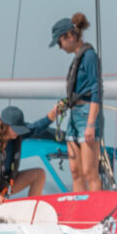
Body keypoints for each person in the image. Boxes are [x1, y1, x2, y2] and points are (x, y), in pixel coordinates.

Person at [48, 13, 105, 196]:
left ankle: (96, 208)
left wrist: (91, 124)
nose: (60, 47)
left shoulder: (89, 56)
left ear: (70, 36)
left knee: (90, 171)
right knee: (75, 171)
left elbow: (96, 90)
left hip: (87, 114)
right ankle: (80, 205)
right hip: (74, 115)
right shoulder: (77, 58)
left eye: (60, 42)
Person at [0, 104, 46, 213]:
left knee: (39, 174)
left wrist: (52, 115)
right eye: (15, 129)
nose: (17, 132)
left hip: (3, 186)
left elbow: (36, 128)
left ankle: (32, 212)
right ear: (4, 126)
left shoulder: (15, 136)